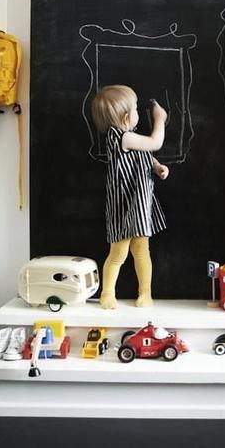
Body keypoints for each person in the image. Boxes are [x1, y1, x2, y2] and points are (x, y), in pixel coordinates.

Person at [91, 85, 169, 309]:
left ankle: (145, 293)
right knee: (119, 252)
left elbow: (144, 154)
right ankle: (107, 293)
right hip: (124, 206)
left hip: (140, 204)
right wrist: (160, 119)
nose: (138, 112)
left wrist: (157, 166)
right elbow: (155, 143)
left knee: (141, 250)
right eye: (135, 108)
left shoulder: (129, 138)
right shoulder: (123, 137)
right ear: (126, 118)